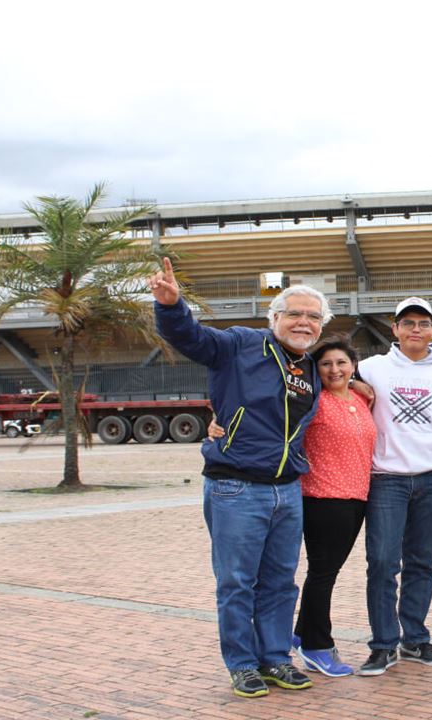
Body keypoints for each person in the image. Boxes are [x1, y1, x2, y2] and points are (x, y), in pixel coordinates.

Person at [151, 257, 322, 698]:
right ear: (275, 317)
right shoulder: (240, 344)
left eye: (313, 317)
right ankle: (243, 664)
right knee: (236, 583)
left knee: (281, 582)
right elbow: (191, 338)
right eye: (295, 314)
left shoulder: (308, 370)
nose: (304, 322)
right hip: (236, 487)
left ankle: (275, 659)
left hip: (287, 490)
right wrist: (171, 307)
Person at [208, 337, 376, 677]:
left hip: (356, 497)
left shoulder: (361, 396)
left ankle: (298, 636)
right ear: (315, 370)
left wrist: (359, 383)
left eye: (342, 363)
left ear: (354, 366)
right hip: (321, 496)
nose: (335, 369)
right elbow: (266, 412)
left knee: (319, 574)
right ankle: (315, 644)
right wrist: (217, 420)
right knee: (321, 574)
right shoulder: (313, 400)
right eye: (326, 364)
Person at [354, 297, 432, 676]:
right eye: (408, 323)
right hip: (386, 480)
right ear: (395, 330)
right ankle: (383, 645)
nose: (415, 330)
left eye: (423, 323)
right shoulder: (372, 368)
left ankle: (415, 639)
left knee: (421, 563)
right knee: (383, 563)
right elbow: (335, 387)